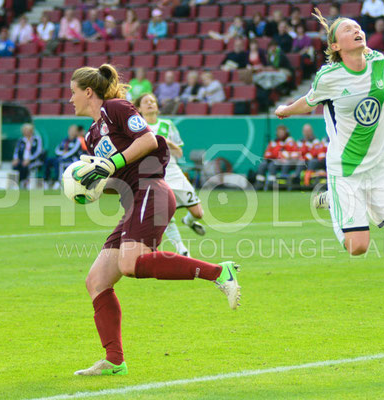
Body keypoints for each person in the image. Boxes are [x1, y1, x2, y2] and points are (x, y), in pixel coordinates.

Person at [276, 9, 384, 328]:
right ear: (335, 45)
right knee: (358, 247)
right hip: (346, 170)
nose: (357, 31)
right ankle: (334, 203)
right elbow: (310, 101)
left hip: (382, 167)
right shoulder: (328, 77)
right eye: (348, 30)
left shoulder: (378, 61)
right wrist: (285, 110)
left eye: (358, 27)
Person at [68, 64, 240, 376]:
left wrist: (109, 164)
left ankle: (219, 272)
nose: (70, 99)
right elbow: (114, 178)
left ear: (88, 92)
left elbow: (147, 140)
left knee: (131, 264)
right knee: (96, 281)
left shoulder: (116, 108)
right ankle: (114, 361)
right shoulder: (92, 136)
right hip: (134, 200)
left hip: (152, 189)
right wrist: (88, 187)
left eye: (73, 92)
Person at [135, 93, 206, 256]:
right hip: (154, 177)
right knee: (164, 213)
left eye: (153, 101)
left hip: (174, 173)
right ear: (139, 108)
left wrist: (167, 142)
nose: (150, 104)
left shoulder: (167, 125)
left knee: (198, 213)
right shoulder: (137, 128)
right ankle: (182, 248)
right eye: (146, 102)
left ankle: (188, 220)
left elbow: (179, 153)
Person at [43, 125, 83, 189]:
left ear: (76, 132)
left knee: (59, 162)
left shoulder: (77, 141)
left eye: (73, 131)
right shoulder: (65, 140)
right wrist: (62, 154)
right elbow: (57, 150)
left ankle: (59, 181)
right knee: (48, 160)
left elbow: (73, 151)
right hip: (62, 158)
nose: (71, 132)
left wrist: (64, 155)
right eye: (70, 131)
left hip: (73, 160)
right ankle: (46, 181)